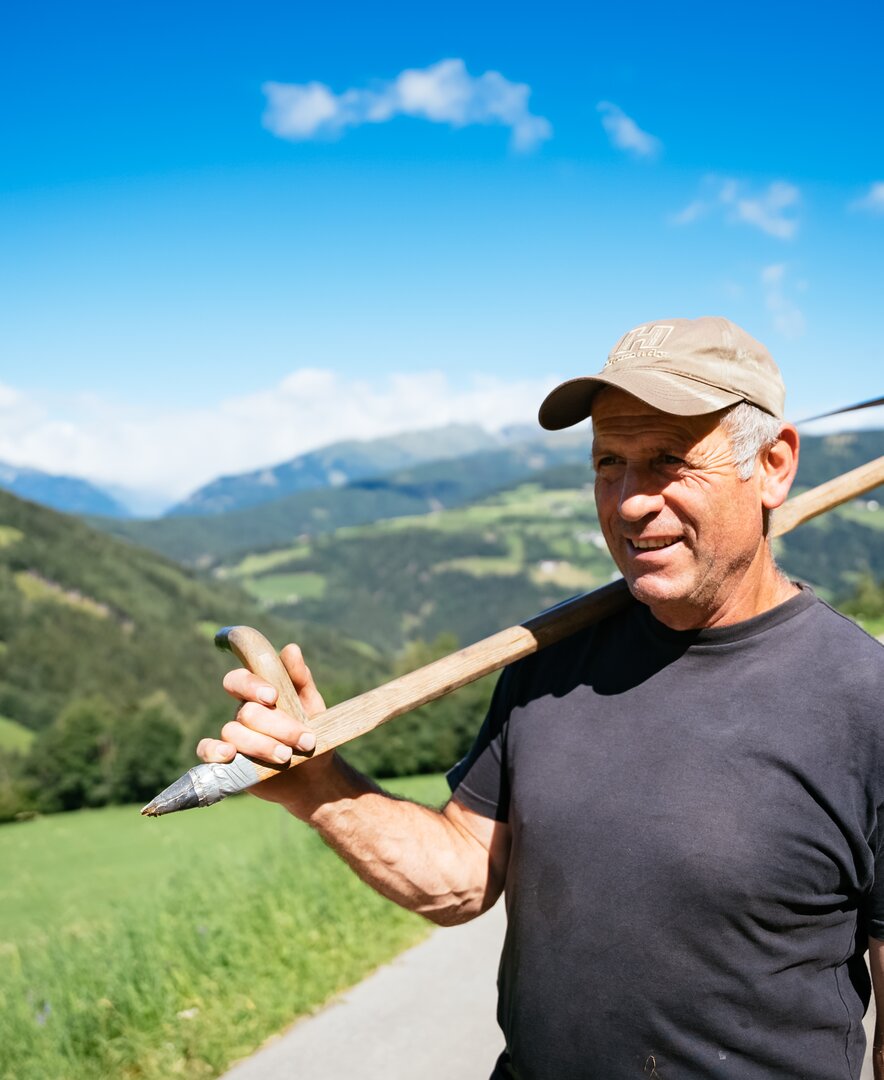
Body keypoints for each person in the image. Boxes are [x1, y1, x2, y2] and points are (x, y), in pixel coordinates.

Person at [198, 316, 884, 1079]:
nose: (629, 502)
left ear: (776, 464)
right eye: (608, 464)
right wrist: (315, 785)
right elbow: (461, 877)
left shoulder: (865, 705)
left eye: (668, 461)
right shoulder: (548, 662)